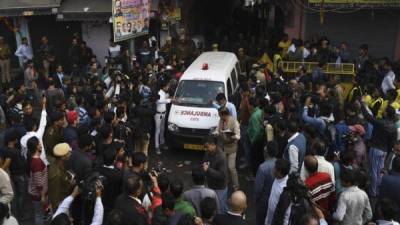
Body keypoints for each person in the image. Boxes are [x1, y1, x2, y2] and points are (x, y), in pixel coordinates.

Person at [361, 101, 397, 198]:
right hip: (384, 151)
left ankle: (373, 192)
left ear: (386, 113)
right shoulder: (393, 127)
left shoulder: (380, 123)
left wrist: (362, 105)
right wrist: (388, 152)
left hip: (376, 149)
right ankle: (378, 189)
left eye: (384, 111)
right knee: (380, 171)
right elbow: (392, 143)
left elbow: (368, 117)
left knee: (373, 171)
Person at [215, 107, 240, 189]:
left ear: (226, 115)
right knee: (224, 166)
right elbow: (218, 129)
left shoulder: (234, 121)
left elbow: (238, 135)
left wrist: (233, 136)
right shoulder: (221, 121)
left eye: (221, 116)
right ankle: (227, 180)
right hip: (222, 147)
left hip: (232, 148)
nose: (221, 118)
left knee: (231, 167)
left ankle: (236, 185)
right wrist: (216, 132)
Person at [202, 135, 228, 213]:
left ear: (213, 145)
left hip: (219, 187)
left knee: (220, 207)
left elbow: (222, 175)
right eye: (205, 147)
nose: (206, 149)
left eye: (207, 147)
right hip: (210, 184)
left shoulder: (221, 157)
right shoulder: (208, 152)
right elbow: (204, 161)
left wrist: (208, 170)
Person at [20, 97, 48, 165]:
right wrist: (44, 104)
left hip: (31, 161)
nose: (28, 110)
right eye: (26, 109)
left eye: (29, 108)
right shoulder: (38, 135)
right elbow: (43, 122)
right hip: (40, 159)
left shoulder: (22, 140)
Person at [255, 141, 278, 225]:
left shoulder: (262, 168)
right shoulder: (279, 163)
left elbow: (258, 189)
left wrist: (257, 200)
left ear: (266, 152)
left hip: (264, 201)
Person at [26, 136, 48, 225]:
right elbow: (39, 182)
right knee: (39, 215)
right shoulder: (37, 162)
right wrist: (42, 196)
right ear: (36, 146)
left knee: (38, 214)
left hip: (35, 193)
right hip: (38, 195)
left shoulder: (33, 159)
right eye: (39, 143)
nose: (41, 145)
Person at [264, 159, 290, 225]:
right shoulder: (277, 178)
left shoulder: (285, 189)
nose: (273, 169)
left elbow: (287, 212)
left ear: (280, 172)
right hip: (269, 216)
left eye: (275, 168)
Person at [48, 143, 72, 209]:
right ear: (63, 157)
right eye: (68, 152)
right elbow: (55, 198)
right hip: (61, 203)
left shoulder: (60, 163)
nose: (70, 153)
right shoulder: (56, 175)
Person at [155, 81, 172, 155]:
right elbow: (159, 101)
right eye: (167, 86)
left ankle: (162, 142)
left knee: (162, 129)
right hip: (158, 114)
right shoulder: (159, 93)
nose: (168, 87)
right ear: (164, 87)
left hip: (164, 113)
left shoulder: (164, 93)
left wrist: (170, 98)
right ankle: (156, 146)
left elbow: (166, 97)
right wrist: (170, 100)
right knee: (157, 130)